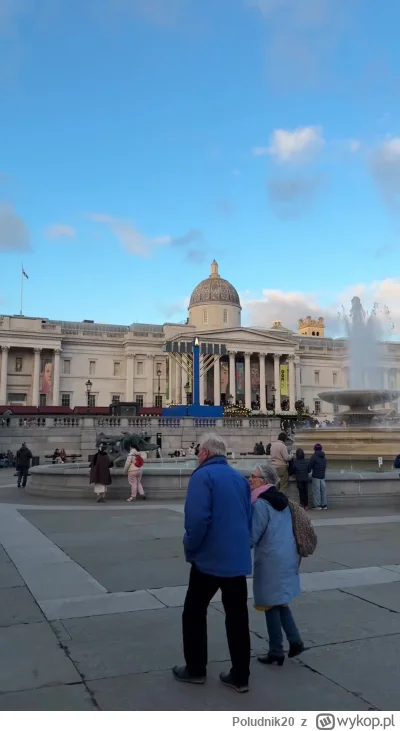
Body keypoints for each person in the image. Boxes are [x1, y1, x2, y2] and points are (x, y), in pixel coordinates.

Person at [173, 433, 252, 693]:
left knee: (194, 613)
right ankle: (241, 675)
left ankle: (195, 669)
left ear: (205, 453)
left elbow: (197, 521)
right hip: (236, 559)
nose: (197, 456)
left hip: (209, 559)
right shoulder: (240, 478)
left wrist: (190, 547)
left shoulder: (202, 476)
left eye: (198, 452)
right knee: (238, 618)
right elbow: (248, 516)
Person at [249, 462, 304, 666]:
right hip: (286, 555)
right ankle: (294, 640)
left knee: (270, 603)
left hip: (270, 558)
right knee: (279, 601)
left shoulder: (261, 503)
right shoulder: (282, 500)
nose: (249, 480)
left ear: (263, 481)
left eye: (253, 476)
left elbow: (253, 535)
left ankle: (276, 650)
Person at [308, 443, 327, 510]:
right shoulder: (324, 457)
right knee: (323, 491)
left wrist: (309, 470)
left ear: (315, 449)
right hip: (322, 475)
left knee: (316, 491)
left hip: (316, 475)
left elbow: (311, 465)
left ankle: (317, 505)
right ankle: (324, 505)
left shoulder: (314, 456)